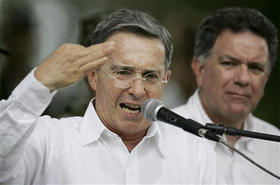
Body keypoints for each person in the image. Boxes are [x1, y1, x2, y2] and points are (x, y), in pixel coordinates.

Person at [0, 9, 216, 184]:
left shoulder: (194, 152)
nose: (138, 90)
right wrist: (39, 84)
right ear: (93, 77)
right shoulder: (49, 140)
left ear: (165, 79)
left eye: (150, 76)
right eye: (123, 72)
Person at [173, 7, 280, 184]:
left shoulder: (276, 146)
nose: (243, 79)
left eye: (255, 68)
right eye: (230, 63)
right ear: (199, 69)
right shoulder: (157, 136)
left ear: (266, 78)